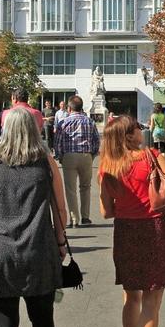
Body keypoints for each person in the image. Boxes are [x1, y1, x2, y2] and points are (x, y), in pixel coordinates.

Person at [0, 107, 65, 327]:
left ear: (5, 131)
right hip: (39, 250)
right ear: (34, 130)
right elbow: (60, 209)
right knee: (43, 322)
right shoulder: (46, 164)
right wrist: (61, 242)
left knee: (4, 324)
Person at [99, 116, 165, 327]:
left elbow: (106, 211)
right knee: (152, 298)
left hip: (125, 232)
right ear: (129, 135)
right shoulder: (152, 156)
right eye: (138, 127)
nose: (142, 130)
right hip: (154, 229)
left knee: (131, 296)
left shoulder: (107, 166)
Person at [54, 95, 99, 228]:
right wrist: (92, 154)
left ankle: (74, 219)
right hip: (86, 156)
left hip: (69, 156)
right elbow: (96, 140)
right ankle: (85, 217)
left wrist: (60, 156)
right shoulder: (90, 121)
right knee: (85, 187)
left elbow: (58, 142)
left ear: (69, 108)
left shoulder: (64, 122)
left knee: (70, 189)